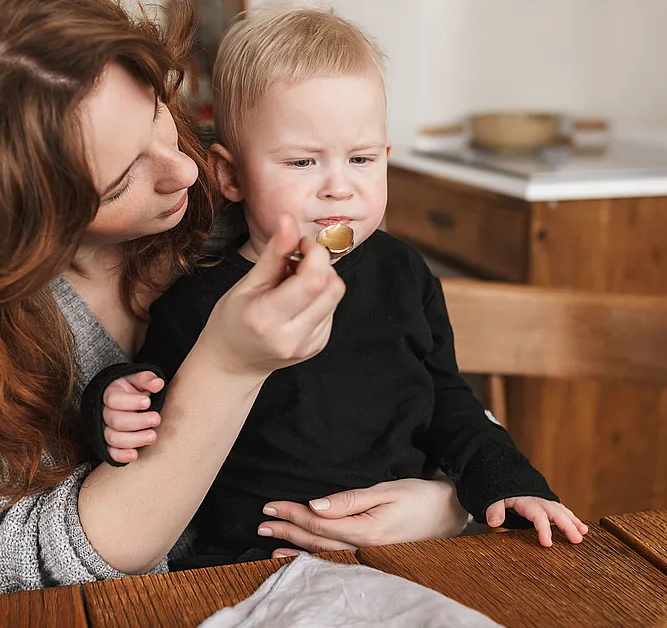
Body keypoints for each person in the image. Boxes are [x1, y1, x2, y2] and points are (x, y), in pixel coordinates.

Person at [0, 0, 469, 597]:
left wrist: (448, 501)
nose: (184, 169)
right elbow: (28, 572)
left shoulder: (251, 206)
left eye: (157, 110)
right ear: (12, 222)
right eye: (122, 179)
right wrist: (227, 367)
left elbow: (423, 381)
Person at [96, 6, 588, 564]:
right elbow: (153, 407)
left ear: (386, 159)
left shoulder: (404, 273)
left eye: (360, 159)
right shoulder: (199, 298)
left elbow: (447, 399)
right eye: (303, 162)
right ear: (230, 175)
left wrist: (505, 482)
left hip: (406, 553)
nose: (339, 189)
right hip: (245, 562)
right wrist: (110, 403)